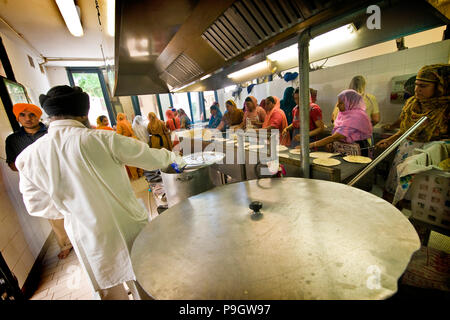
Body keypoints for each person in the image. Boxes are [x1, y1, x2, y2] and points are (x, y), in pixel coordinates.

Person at [16, 85, 185, 300]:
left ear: (50, 116)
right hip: (127, 226)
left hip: (86, 234)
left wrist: (76, 208)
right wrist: (176, 158)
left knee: (107, 291)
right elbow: (152, 158)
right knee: (144, 283)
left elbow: (35, 205)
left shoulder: (28, 156)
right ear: (84, 114)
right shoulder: (102, 139)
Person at [5, 103, 73, 260]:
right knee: (54, 215)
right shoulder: (13, 140)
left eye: (32, 115)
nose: (28, 119)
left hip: (62, 176)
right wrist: (32, 164)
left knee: (74, 206)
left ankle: (84, 237)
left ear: (39, 116)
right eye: (23, 115)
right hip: (39, 184)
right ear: (17, 117)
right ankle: (66, 244)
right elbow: (12, 165)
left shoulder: (51, 131)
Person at [376, 64, 449, 201]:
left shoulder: (445, 109)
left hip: (427, 157)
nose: (417, 90)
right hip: (405, 151)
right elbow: (406, 129)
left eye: (423, 86)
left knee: (419, 197)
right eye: (416, 85)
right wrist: (391, 139)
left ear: (439, 87)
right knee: (396, 188)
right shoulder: (412, 104)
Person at [310, 89, 373, 156]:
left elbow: (336, 136)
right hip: (343, 152)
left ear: (350, 103)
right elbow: (337, 136)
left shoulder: (357, 116)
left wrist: (312, 145)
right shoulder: (344, 114)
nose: (337, 106)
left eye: (340, 103)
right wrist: (332, 143)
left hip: (356, 153)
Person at [115, 113, 141, 180]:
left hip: (126, 142)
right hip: (134, 140)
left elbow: (118, 136)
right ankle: (140, 173)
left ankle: (135, 176)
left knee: (130, 160)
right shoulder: (128, 122)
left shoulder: (119, 124)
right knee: (137, 158)